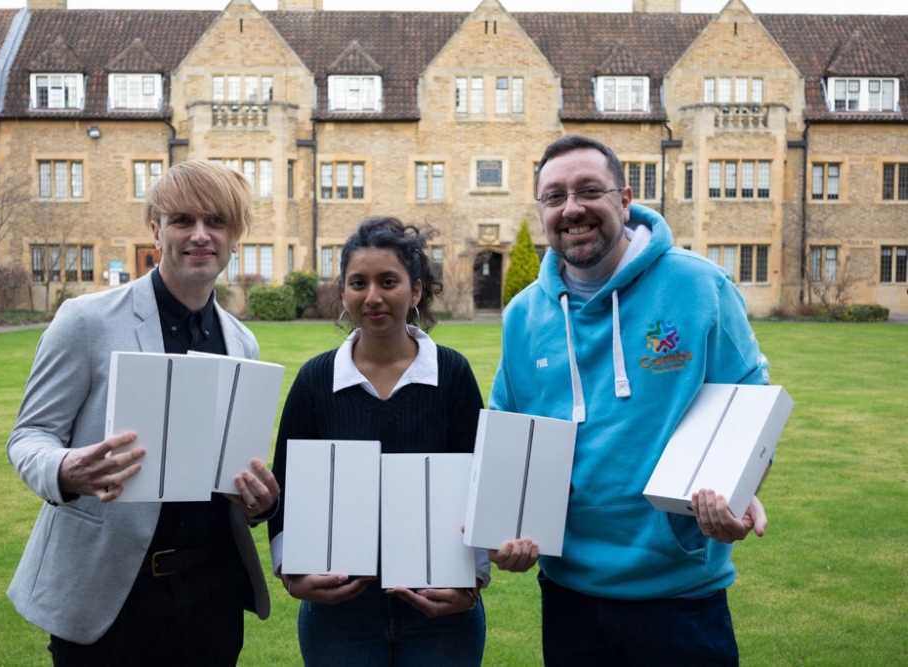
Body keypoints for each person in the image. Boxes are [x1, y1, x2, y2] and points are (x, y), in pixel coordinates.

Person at [489, 135, 771, 665]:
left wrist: (741, 487)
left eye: (588, 190)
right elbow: (510, 434)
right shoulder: (523, 315)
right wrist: (503, 532)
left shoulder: (699, 285)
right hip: (570, 596)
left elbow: (751, 409)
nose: (572, 208)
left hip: (680, 594)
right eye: (554, 196)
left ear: (624, 199)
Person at [6, 160, 279, 665]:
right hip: (107, 595)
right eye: (183, 220)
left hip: (212, 596)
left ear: (235, 237)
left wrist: (257, 502)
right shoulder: (86, 322)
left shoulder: (242, 343)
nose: (200, 235)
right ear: (156, 230)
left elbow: (231, 471)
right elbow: (30, 435)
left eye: (216, 221)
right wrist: (66, 469)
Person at [268, 217, 488, 666]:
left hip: (441, 608)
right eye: (358, 283)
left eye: (388, 281)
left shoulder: (453, 374)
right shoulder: (315, 379)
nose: (372, 296)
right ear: (343, 292)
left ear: (416, 291)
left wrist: (473, 582)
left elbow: (478, 482)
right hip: (339, 612)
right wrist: (290, 572)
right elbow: (285, 484)